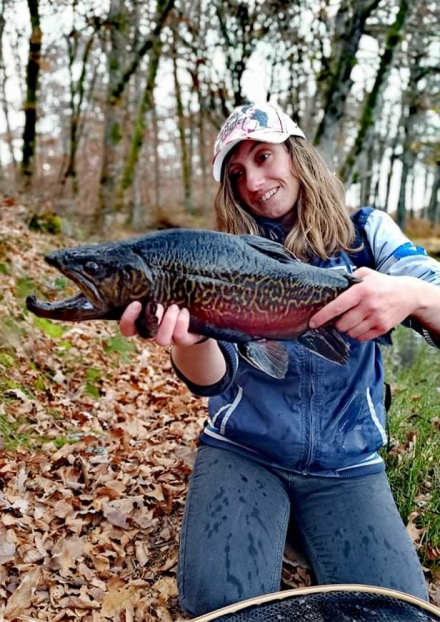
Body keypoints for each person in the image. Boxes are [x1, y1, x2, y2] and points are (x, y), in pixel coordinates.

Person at [120, 103, 440, 616]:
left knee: (398, 612)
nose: (253, 181)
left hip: (348, 462)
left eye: (265, 156)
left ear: (298, 156)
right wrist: (190, 337)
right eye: (237, 173)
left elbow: (434, 295)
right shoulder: (222, 256)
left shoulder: (368, 235)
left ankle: (298, 523)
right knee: (220, 605)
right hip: (244, 450)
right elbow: (213, 381)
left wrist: (412, 297)